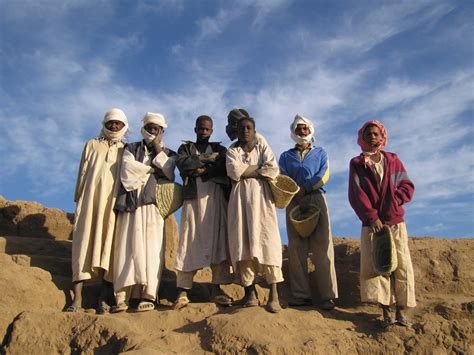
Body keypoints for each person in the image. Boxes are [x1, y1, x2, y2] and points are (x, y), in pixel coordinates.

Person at [348, 119, 416, 329]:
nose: (373, 137)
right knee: (379, 266)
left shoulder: (393, 160)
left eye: (376, 134)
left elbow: (407, 185)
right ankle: (385, 312)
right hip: (373, 226)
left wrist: (395, 201)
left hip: (395, 222)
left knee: (401, 266)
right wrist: (372, 217)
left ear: (382, 136)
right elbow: (356, 194)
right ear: (363, 138)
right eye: (368, 134)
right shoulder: (357, 164)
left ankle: (400, 312)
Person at [112, 112, 177, 313]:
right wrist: (151, 170)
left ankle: (148, 295)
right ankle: (122, 295)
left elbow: (168, 172)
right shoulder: (130, 148)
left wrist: (158, 148)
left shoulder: (169, 152)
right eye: (149, 127)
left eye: (156, 129)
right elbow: (127, 171)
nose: (152, 131)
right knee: (126, 247)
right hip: (131, 204)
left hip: (153, 206)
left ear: (162, 131)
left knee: (151, 248)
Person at [68, 108, 128, 313]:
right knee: (84, 244)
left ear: (124, 126)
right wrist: (79, 199)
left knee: (108, 249)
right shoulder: (92, 145)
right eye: (110, 122)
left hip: (112, 206)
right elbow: (82, 173)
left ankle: (103, 298)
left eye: (117, 123)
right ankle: (77, 298)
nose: (113, 126)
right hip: (90, 202)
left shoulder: (125, 149)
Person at [279, 114, 338, 311]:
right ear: (293, 132)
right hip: (293, 200)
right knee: (296, 249)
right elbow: (282, 176)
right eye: (298, 129)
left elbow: (324, 174)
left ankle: (328, 296)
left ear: (310, 130)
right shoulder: (286, 156)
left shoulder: (321, 153)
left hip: (317, 198)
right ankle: (300, 295)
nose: (302, 132)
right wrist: (297, 192)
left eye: (304, 129)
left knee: (322, 247)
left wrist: (308, 188)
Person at [173, 115, 233, 309]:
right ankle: (183, 290)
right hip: (194, 200)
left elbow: (223, 165)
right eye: (200, 129)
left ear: (211, 131)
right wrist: (205, 161)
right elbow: (182, 164)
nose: (203, 132)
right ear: (195, 129)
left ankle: (216, 289)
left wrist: (202, 170)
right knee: (189, 240)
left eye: (207, 129)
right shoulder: (185, 148)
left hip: (215, 200)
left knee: (219, 242)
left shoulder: (219, 149)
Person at [226, 117, 284, 313]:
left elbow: (273, 170)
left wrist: (246, 172)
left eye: (249, 128)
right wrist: (259, 170)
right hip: (240, 202)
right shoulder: (232, 150)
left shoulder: (262, 147)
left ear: (254, 130)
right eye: (242, 128)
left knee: (269, 243)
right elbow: (233, 171)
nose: (245, 131)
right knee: (243, 244)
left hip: (262, 201)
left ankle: (274, 295)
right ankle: (250, 293)